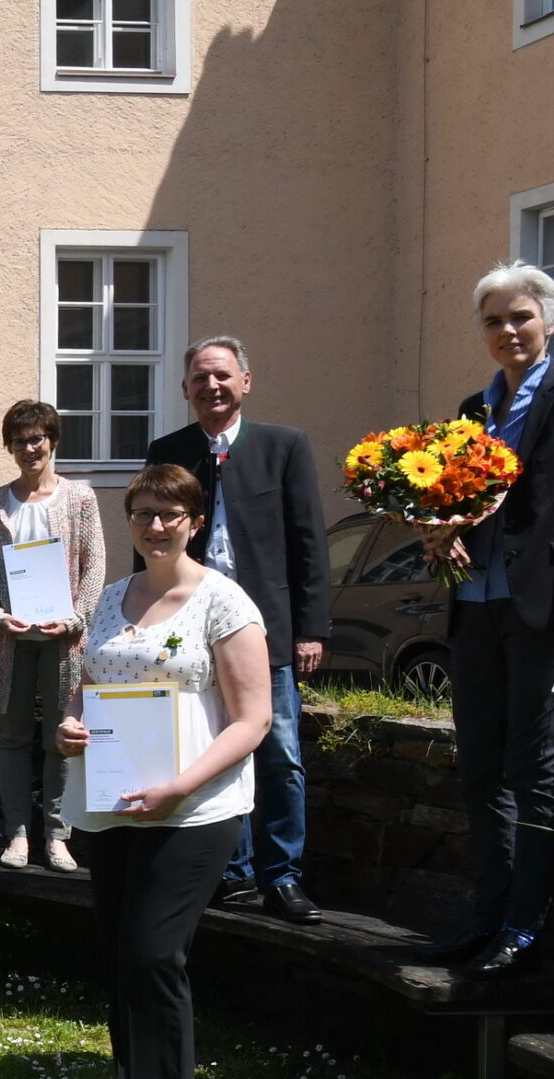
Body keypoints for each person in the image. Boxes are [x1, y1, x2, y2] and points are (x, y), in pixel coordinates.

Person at [55, 464, 272, 1079]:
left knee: (153, 957)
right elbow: (88, 691)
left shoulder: (224, 603)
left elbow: (253, 719)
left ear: (194, 520)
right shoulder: (113, 599)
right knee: (122, 963)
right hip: (117, 805)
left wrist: (181, 786)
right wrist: (70, 726)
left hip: (196, 810)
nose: (154, 526)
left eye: (168, 514)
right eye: (142, 513)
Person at [418, 262, 554, 978]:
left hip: (543, 607)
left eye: (521, 317)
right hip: (475, 605)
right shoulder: (471, 410)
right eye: (494, 320)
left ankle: (526, 925)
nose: (508, 330)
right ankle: (488, 915)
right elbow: (458, 505)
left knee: (533, 768)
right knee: (479, 769)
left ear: (550, 321)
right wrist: (437, 530)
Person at [144, 337, 331, 925]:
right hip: (192, 629)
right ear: (185, 389)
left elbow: (309, 542)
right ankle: (235, 872)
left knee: (280, 754)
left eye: (222, 376)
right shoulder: (167, 450)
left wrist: (311, 629)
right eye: (200, 379)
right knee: (208, 748)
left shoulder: (284, 445)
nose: (212, 387)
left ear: (245, 382)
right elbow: (150, 538)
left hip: (266, 630)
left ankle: (283, 876)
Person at [0, 400, 103, 873]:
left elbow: (93, 567)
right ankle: (18, 834)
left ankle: (58, 835)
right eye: (20, 440)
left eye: (37, 438)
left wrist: (77, 619)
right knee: (12, 739)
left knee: (60, 737)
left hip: (63, 640)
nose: (29, 448)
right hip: (11, 639)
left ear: (52, 440)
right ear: (9, 447)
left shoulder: (80, 498)